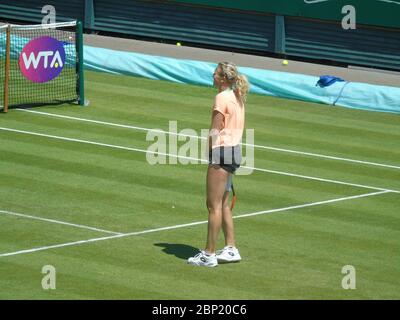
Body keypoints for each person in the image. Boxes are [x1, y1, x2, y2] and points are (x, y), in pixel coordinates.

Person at [188, 62, 250, 267]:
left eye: (215, 74)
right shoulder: (238, 95)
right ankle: (231, 248)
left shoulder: (221, 98)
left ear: (223, 78)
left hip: (222, 153)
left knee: (213, 205)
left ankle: (209, 254)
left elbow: (215, 130)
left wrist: (210, 155)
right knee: (222, 204)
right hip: (235, 152)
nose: (212, 77)